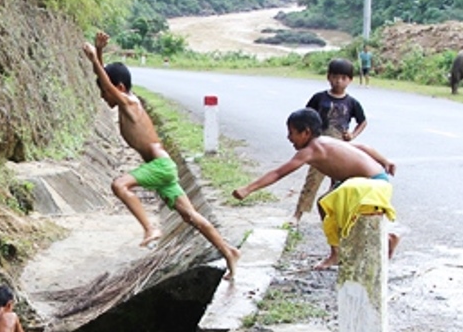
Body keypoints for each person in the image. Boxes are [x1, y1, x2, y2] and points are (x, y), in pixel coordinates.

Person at [82, 31, 241, 279]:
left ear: (119, 87)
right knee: (191, 216)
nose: (104, 97)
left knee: (120, 185)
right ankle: (229, 251)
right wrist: (99, 54)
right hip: (163, 167)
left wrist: (95, 59)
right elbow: (107, 83)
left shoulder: (130, 103)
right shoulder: (126, 102)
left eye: (105, 92)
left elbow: (109, 87)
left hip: (161, 165)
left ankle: (150, 228)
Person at [233, 108, 398, 269]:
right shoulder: (327, 141)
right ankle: (379, 240)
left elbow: (278, 173)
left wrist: (248, 189)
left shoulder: (311, 150)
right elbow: (362, 147)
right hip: (373, 180)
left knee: (330, 205)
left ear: (306, 132)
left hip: (370, 184)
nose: (289, 138)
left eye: (292, 133)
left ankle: (340, 252)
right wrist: (385, 161)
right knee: (329, 205)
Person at [292, 58, 369, 226]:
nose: (338, 81)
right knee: (312, 181)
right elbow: (307, 116)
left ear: (350, 80)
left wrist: (352, 135)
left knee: (339, 185)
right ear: (328, 77)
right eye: (335, 77)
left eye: (343, 78)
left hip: (341, 148)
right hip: (320, 148)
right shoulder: (319, 98)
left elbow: (362, 121)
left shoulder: (352, 103)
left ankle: (333, 215)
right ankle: (298, 214)